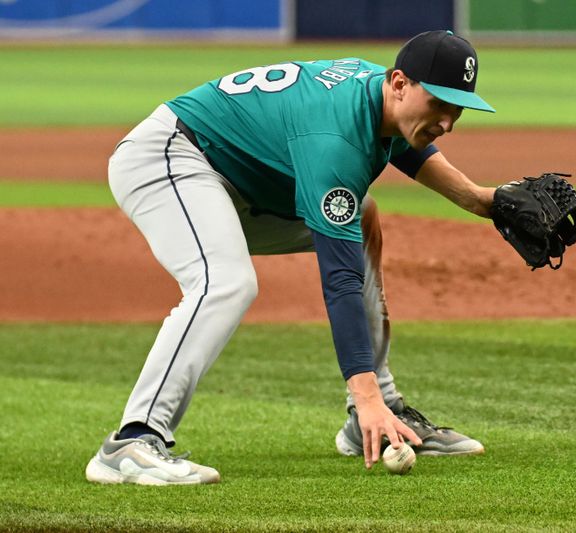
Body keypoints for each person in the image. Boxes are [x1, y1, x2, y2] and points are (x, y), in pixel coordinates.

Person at [86, 30, 497, 486]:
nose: (448, 122)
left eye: (457, 108)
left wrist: (482, 201)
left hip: (233, 180)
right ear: (399, 83)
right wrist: (360, 392)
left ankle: (378, 417)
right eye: (439, 104)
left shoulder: (376, 95)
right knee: (225, 281)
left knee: (360, 219)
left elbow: (406, 142)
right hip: (169, 157)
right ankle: (131, 441)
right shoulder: (334, 141)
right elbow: (339, 279)